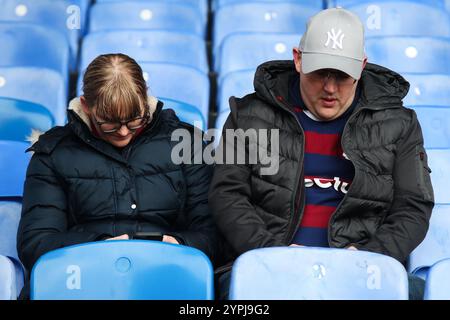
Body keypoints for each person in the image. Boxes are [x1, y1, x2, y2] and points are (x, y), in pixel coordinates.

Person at [209, 8, 434, 300]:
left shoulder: (399, 124)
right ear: (298, 59)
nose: (330, 88)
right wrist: (272, 252)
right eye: (320, 73)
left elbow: (413, 207)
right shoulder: (249, 115)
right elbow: (227, 194)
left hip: (362, 271)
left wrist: (368, 257)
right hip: (267, 266)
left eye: (341, 76)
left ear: (362, 67)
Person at [17, 53, 218, 297]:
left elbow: (213, 235)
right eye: (109, 124)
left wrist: (179, 244)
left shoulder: (187, 144)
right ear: (85, 105)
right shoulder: (52, 153)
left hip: (166, 274)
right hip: (83, 278)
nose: (123, 132)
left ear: (145, 100)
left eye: (135, 120)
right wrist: (98, 247)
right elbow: (36, 243)